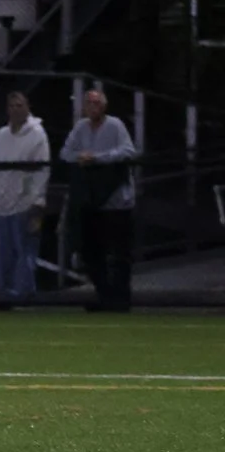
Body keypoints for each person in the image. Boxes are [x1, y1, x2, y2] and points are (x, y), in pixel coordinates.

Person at [60, 88, 137, 313]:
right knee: (92, 250)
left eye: (96, 102)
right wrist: (81, 157)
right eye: (88, 103)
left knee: (120, 253)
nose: (92, 107)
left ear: (104, 106)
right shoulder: (80, 127)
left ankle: (121, 299)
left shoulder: (115, 125)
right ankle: (104, 295)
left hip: (115, 201)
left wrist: (98, 158)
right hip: (91, 199)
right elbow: (65, 153)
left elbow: (128, 151)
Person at [0, 90, 49, 309]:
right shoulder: (2, 135)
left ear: (27, 107)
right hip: (2, 202)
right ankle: (3, 294)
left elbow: (42, 171)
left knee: (25, 250)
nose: (15, 109)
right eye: (12, 106)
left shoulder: (37, 135)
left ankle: (22, 294)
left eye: (19, 105)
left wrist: (37, 201)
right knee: (3, 253)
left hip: (25, 203)